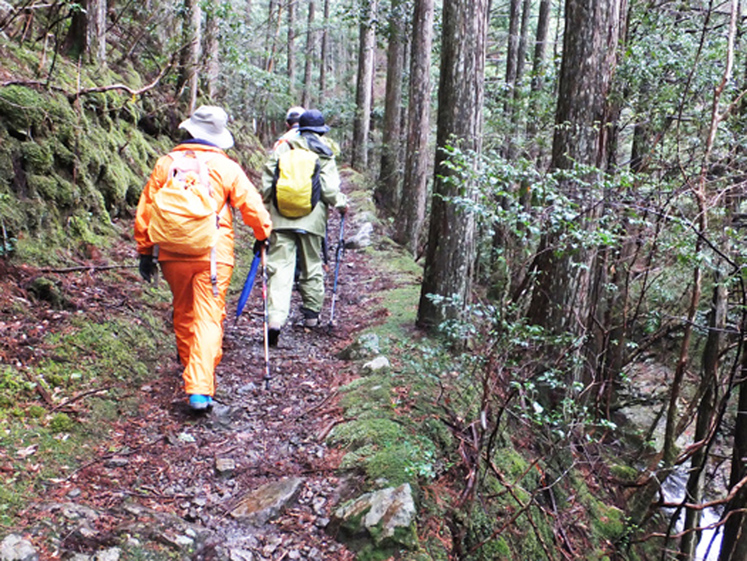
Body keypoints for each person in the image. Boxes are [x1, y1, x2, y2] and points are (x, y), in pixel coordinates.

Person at [135, 105, 272, 411]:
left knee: (183, 313)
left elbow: (145, 210)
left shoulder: (166, 163)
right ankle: (199, 388)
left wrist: (145, 250)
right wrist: (263, 234)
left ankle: (191, 368)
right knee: (208, 318)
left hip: (171, 252)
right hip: (213, 254)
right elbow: (251, 207)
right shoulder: (227, 168)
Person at [260, 109, 347, 346]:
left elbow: (267, 184)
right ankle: (311, 315)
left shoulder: (283, 147)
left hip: (280, 218)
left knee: (279, 268)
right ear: (320, 131)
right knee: (311, 264)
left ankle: (275, 320)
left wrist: (268, 209)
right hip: (312, 219)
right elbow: (329, 191)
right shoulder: (323, 151)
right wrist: (341, 203)